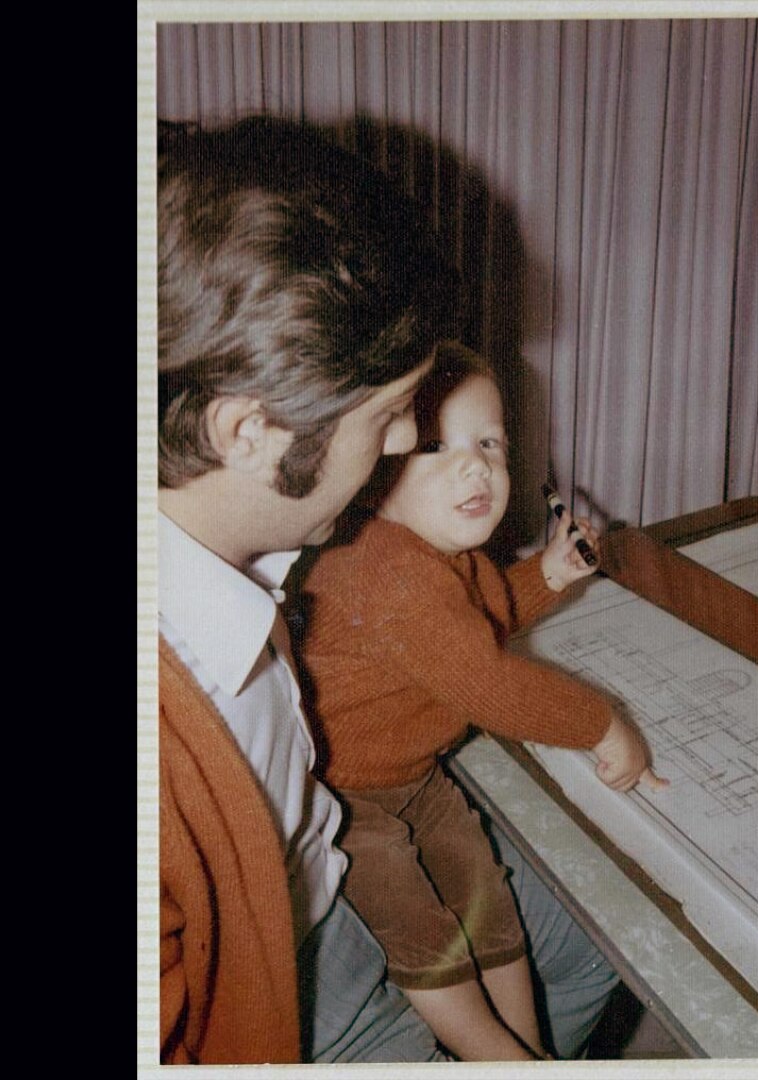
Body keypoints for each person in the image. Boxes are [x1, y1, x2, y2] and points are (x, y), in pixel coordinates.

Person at [156, 116, 617, 1064]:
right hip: (288, 977)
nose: (405, 444)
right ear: (249, 433)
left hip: (325, 858)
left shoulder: (255, 555)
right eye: (386, 416)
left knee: (597, 945)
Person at [299, 343, 664, 1060]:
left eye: (490, 443)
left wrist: (550, 575)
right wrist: (602, 724)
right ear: (376, 469)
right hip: (340, 793)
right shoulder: (390, 569)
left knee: (484, 892)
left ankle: (528, 1050)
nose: (477, 467)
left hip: (415, 775)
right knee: (420, 925)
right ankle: (497, 1060)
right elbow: (489, 682)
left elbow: (483, 617)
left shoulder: (444, 555)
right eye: (437, 446)